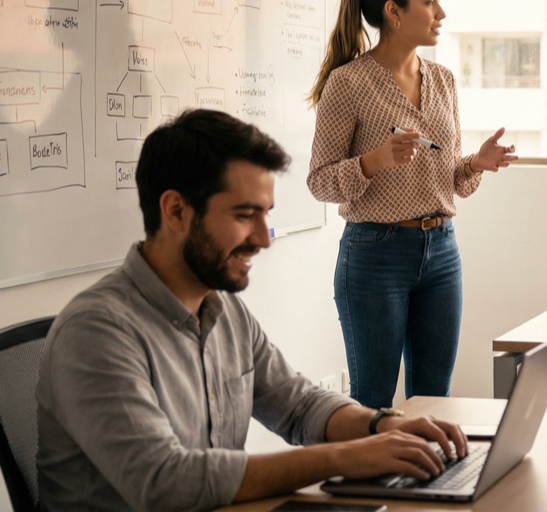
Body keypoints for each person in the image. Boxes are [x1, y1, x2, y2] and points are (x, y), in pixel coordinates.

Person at [36, 109, 469, 512]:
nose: (263, 239)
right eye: (245, 216)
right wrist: (345, 457)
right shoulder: (95, 333)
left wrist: (380, 426)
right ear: (176, 211)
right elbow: (165, 482)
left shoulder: (224, 310)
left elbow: (299, 405)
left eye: (266, 216)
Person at [307, 0, 516, 408]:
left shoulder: (443, 81)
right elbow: (320, 182)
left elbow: (452, 178)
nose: (441, 13)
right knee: (372, 402)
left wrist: (475, 164)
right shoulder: (348, 83)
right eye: (429, 1)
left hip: (442, 252)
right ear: (394, 12)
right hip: (374, 255)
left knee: (434, 401)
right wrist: (373, 161)